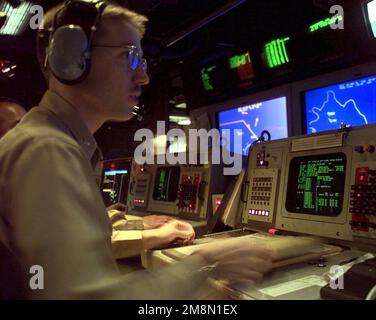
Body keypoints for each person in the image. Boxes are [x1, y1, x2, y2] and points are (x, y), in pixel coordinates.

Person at [0, 0, 272, 299]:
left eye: (141, 62)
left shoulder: (54, 143)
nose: (143, 77)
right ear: (72, 58)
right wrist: (207, 264)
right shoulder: (47, 149)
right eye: (129, 57)